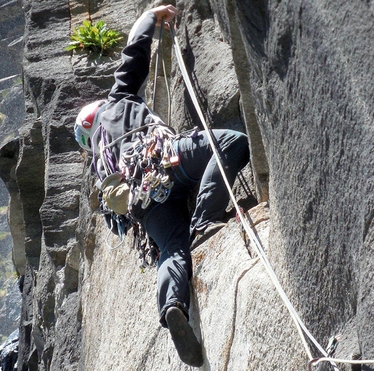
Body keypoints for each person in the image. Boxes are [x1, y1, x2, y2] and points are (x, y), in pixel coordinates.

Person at [74, 5, 250, 367]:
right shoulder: (116, 102)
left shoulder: (100, 162)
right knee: (231, 143)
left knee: (172, 249)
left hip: (144, 206)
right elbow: (134, 51)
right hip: (162, 162)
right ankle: (204, 220)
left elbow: (117, 216)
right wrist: (151, 16)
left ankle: (172, 304)